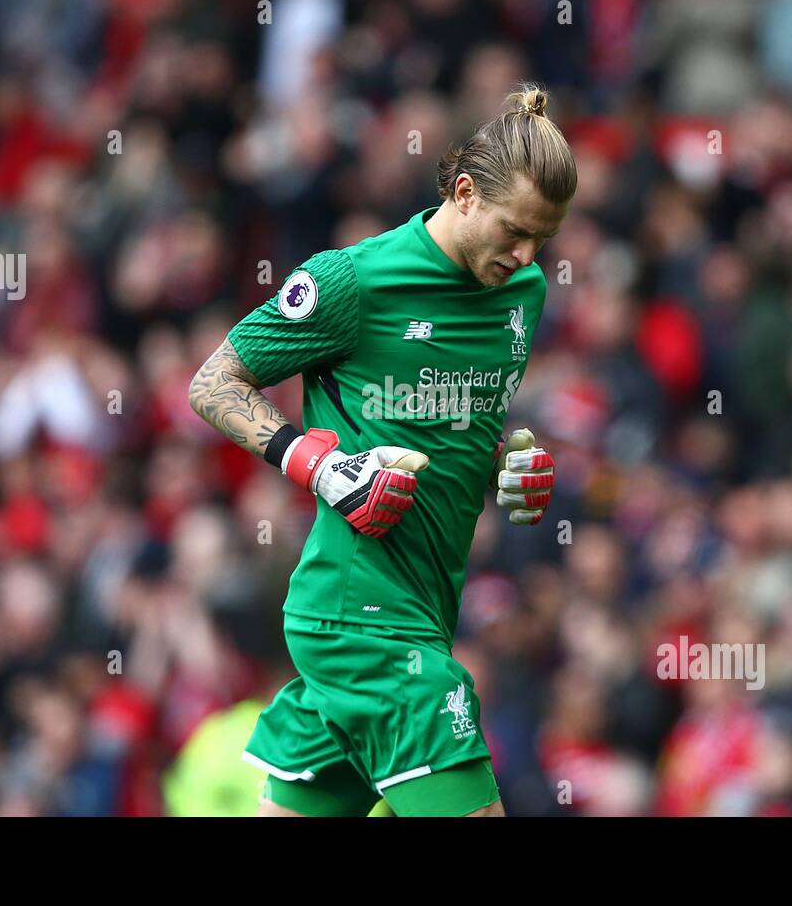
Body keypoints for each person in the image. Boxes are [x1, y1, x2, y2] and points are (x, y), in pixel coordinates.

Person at [188, 83, 577, 817]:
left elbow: (462, 427)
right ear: (464, 192)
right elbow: (213, 383)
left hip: (421, 611)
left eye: (543, 239)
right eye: (515, 230)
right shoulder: (351, 280)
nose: (527, 255)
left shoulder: (521, 294)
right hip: (362, 618)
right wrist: (320, 467)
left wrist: (510, 470)